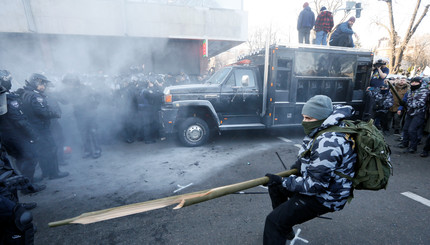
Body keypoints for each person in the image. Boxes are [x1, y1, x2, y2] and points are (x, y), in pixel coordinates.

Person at [263, 95, 356, 245]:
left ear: (322, 118)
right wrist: (297, 167)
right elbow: (309, 154)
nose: (304, 122)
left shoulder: (329, 141)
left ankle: (281, 225)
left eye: (309, 118)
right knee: (276, 187)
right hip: (319, 186)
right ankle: (286, 227)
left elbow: (315, 186)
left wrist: (284, 181)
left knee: (273, 222)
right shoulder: (323, 128)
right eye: (304, 117)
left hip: (326, 197)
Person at [0, 70, 45, 187]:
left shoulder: (4, 98)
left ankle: (26, 181)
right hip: (15, 134)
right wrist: (32, 134)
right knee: (30, 157)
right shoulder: (8, 99)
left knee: (20, 158)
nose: (10, 83)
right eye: (8, 81)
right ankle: (27, 185)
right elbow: (19, 121)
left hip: (6, 135)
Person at [20, 73, 69, 179]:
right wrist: (55, 113)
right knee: (51, 148)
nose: (43, 87)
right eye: (41, 84)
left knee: (42, 150)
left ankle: (46, 173)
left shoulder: (26, 93)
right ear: (34, 83)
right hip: (40, 127)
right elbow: (42, 112)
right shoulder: (35, 95)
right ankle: (54, 173)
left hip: (34, 127)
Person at [397, 77, 429, 153]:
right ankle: (405, 143)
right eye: (412, 82)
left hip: (419, 113)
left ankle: (413, 147)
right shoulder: (410, 91)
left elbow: (420, 103)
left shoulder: (424, 91)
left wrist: (407, 104)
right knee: (405, 128)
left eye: (416, 82)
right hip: (409, 112)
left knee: (412, 130)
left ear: (420, 82)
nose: (414, 83)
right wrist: (402, 105)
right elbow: (407, 99)